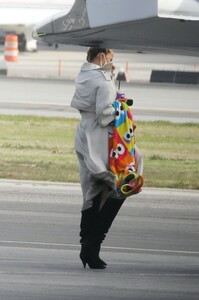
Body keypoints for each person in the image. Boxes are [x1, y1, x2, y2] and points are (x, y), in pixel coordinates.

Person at [71, 47, 143, 269]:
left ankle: (88, 246)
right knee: (123, 181)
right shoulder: (103, 82)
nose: (113, 61)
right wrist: (120, 108)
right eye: (111, 57)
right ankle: (92, 245)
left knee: (92, 191)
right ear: (102, 57)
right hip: (100, 136)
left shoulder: (84, 75)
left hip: (84, 133)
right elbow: (104, 115)